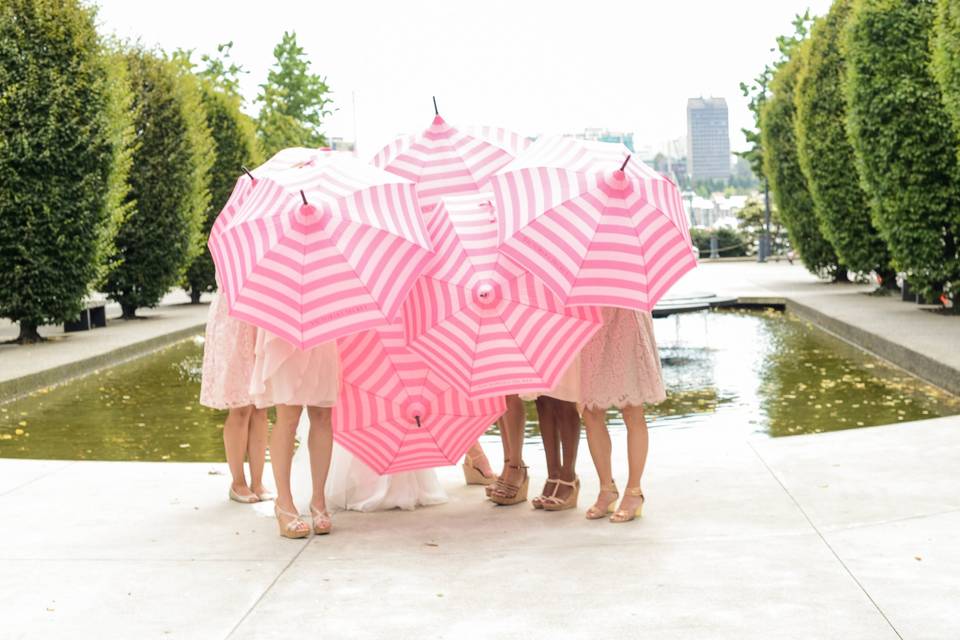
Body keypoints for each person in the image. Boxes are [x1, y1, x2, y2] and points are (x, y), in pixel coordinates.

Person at [250, 330, 340, 538]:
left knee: (322, 414)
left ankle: (319, 500)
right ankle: (284, 503)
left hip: (321, 328)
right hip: (284, 330)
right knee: (289, 415)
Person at [581, 308, 665, 523]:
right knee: (590, 410)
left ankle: (634, 492)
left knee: (631, 406)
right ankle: (606, 488)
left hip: (626, 317)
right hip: (590, 318)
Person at [199, 292, 271, 504]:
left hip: (261, 317)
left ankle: (258, 482)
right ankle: (237, 482)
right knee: (240, 407)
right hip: (233, 320)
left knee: (261, 406)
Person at [527, 358, 582, 511]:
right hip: (537, 338)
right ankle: (553, 474)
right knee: (542, 399)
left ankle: (568, 476)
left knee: (565, 397)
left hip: (563, 338)